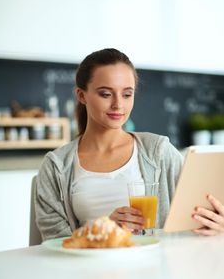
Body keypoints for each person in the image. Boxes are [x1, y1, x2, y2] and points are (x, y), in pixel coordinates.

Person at [35, 48, 224, 241]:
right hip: (88, 270)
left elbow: (196, 216)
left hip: (155, 268)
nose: (118, 105)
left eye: (127, 94)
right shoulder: (56, 166)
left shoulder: (158, 152)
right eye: (106, 94)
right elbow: (54, 242)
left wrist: (216, 223)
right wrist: (103, 231)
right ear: (82, 96)